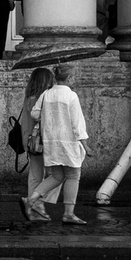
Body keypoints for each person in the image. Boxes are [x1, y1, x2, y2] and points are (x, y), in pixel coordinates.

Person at [30, 63, 90, 225]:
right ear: (69, 78)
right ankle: (69, 213)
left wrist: (49, 118)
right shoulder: (71, 96)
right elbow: (78, 123)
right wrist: (85, 144)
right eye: (74, 76)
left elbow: (34, 113)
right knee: (73, 176)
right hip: (68, 142)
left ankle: (32, 199)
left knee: (57, 176)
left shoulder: (46, 94)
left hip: (51, 143)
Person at [15, 65, 53, 224]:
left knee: (35, 174)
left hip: (31, 142)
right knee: (57, 176)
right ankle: (36, 203)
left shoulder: (29, 97)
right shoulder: (42, 98)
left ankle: (35, 207)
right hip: (42, 142)